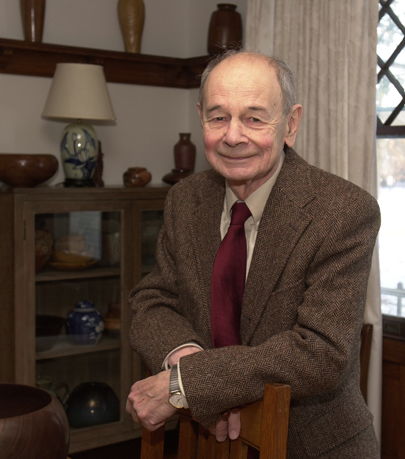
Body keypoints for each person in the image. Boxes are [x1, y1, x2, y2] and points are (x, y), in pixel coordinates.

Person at [126, 50, 381, 458]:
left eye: (255, 118)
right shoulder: (184, 199)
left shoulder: (344, 212)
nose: (233, 136)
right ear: (201, 118)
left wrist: (189, 383)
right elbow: (152, 301)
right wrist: (187, 357)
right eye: (218, 117)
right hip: (207, 440)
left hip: (312, 446)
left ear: (290, 124)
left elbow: (320, 351)